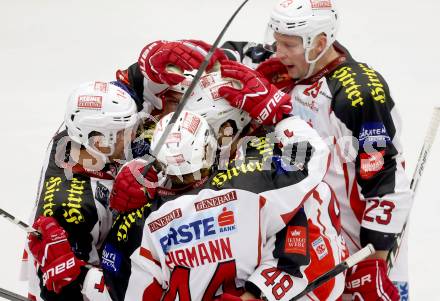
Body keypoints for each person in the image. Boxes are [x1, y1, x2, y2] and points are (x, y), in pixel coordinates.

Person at [216, 0, 412, 299]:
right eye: (276, 41)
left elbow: (386, 178)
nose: (278, 53)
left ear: (320, 43)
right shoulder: (283, 67)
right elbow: (227, 57)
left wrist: (376, 260)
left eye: (288, 45)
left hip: (359, 259)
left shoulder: (358, 94)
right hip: (309, 250)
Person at [118, 109, 342, 301]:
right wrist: (281, 115)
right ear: (207, 148)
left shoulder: (151, 219)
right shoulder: (251, 185)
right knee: (317, 196)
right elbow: (312, 156)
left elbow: (137, 290)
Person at [21, 81, 155, 301]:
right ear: (98, 139)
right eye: (123, 132)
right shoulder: (72, 211)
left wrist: (138, 75)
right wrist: (68, 282)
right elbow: (77, 292)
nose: (132, 137)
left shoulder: (66, 138)